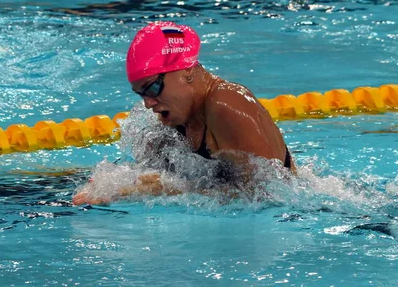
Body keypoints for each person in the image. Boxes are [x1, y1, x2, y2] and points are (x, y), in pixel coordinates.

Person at [73, 21, 295, 205]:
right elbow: (152, 178)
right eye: (141, 94)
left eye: (152, 88)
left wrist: (166, 191)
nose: (148, 103)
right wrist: (114, 186)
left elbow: (265, 198)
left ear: (186, 70)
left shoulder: (227, 104)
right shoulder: (170, 125)